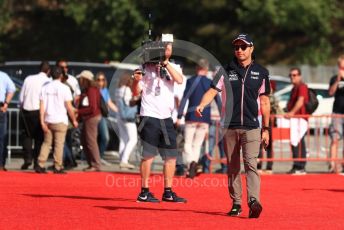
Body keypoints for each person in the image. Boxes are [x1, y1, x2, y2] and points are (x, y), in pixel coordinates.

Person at [196, 34, 270, 218]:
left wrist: (266, 129)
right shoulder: (225, 70)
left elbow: (265, 102)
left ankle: (254, 201)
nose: (239, 50)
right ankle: (236, 203)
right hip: (229, 126)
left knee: (251, 164)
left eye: (243, 47)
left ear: (251, 48)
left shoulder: (261, 72)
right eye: (236, 47)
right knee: (233, 167)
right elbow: (213, 91)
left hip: (252, 126)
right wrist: (202, 103)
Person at [132, 41, 187, 203]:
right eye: (164, 47)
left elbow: (179, 80)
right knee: (148, 155)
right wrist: (136, 80)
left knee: (171, 156)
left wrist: (165, 63)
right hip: (149, 116)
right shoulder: (145, 67)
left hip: (166, 117)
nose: (166, 50)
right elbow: (136, 92)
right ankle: (144, 191)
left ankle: (168, 191)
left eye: (169, 48)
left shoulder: (174, 67)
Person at [177, 58, 221, 178]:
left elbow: (185, 98)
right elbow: (217, 100)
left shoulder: (190, 81)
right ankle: (194, 163)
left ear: (197, 68)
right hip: (205, 118)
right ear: (206, 69)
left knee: (188, 142)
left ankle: (189, 163)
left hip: (191, 116)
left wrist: (180, 114)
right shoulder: (210, 82)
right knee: (197, 144)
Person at [35, 66, 78, 174]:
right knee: (59, 144)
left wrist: (42, 121)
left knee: (46, 143)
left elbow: (42, 107)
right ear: (61, 75)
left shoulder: (45, 88)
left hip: (48, 120)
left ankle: (40, 163)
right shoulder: (64, 88)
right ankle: (57, 166)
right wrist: (74, 120)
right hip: (60, 120)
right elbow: (69, 107)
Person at [19, 61, 51, 170]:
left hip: (27, 109)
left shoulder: (28, 78)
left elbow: (21, 96)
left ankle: (27, 158)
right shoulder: (48, 81)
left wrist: (22, 107)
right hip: (39, 111)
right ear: (48, 71)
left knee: (27, 136)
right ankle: (37, 161)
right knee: (39, 138)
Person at [77, 70, 102, 172]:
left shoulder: (91, 90)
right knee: (84, 140)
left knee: (91, 141)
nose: (79, 80)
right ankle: (91, 163)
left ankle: (95, 164)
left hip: (91, 118)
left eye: (81, 78)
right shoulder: (89, 89)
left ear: (85, 79)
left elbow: (92, 107)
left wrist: (78, 111)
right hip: (89, 117)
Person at [286, 67, 309, 175]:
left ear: (299, 76)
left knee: (298, 142)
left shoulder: (302, 87)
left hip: (300, 118)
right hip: (295, 118)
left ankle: (300, 166)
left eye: (294, 75)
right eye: (290, 75)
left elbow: (300, 102)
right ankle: (297, 165)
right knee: (295, 142)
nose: (292, 77)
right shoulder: (294, 88)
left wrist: (292, 113)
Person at [95, 72, 118, 166]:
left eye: (102, 79)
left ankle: (99, 157)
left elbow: (109, 103)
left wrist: (119, 112)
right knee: (97, 138)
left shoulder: (105, 90)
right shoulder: (94, 90)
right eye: (99, 80)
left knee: (104, 138)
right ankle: (96, 158)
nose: (101, 82)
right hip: (95, 117)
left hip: (103, 117)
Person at [116, 73, 138, 169]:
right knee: (133, 139)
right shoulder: (127, 90)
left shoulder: (118, 90)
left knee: (123, 139)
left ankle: (121, 159)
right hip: (128, 117)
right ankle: (125, 159)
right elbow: (129, 103)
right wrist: (137, 99)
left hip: (119, 116)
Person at [328, 54, 344, 173]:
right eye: (340, 67)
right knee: (335, 139)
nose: (342, 70)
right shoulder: (334, 78)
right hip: (337, 113)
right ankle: (332, 165)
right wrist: (338, 80)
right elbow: (331, 92)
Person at [0, 70, 16, 171]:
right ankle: (1, 164)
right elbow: (12, 89)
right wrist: (6, 103)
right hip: (1, 108)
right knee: (1, 138)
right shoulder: (3, 75)